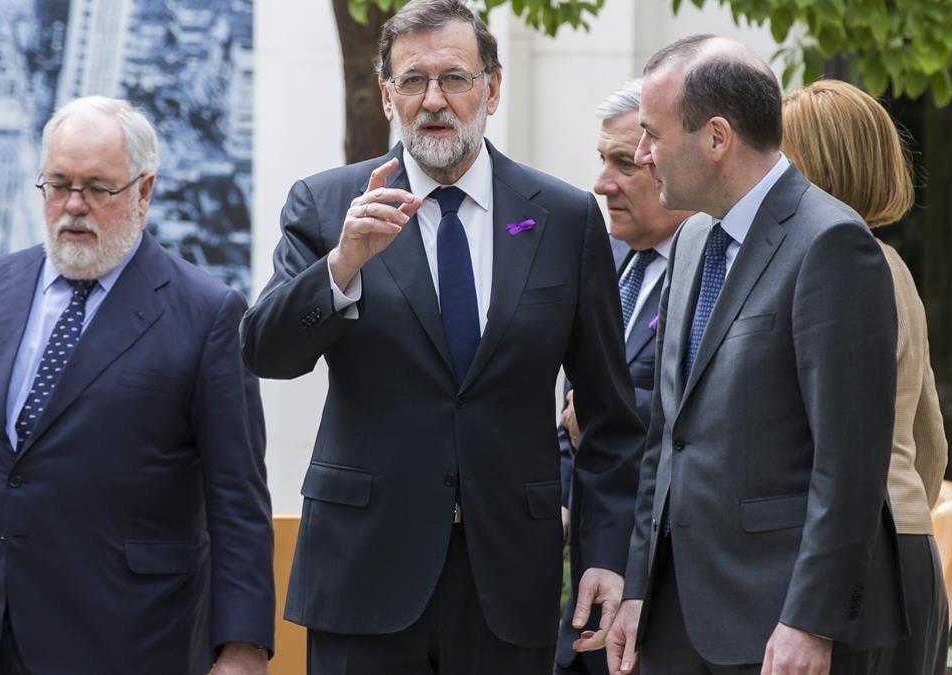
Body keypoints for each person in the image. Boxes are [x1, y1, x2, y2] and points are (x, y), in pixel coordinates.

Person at [240, 1, 646, 672]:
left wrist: (605, 553)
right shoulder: (327, 204)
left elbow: (610, 417)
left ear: (492, 87)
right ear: (386, 93)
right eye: (412, 80)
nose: (434, 100)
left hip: (508, 582)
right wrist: (340, 266)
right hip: (363, 574)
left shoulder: (565, 219)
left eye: (454, 78)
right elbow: (266, 353)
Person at [0, 96, 274, 675]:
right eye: (58, 185)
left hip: (135, 639)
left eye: (97, 188)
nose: (73, 206)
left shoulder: (207, 313)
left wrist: (242, 647)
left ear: (144, 190)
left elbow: (238, 499)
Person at [597, 36, 906, 674]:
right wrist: (637, 590)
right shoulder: (691, 241)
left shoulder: (831, 244)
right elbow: (665, 441)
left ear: (716, 137)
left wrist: (810, 621)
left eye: (652, 135)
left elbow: (849, 464)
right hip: (674, 620)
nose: (644, 154)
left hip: (778, 626)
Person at [781, 78, 950, 674]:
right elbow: (930, 441)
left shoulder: (832, 265)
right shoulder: (893, 265)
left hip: (859, 563)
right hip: (908, 547)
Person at [556, 77, 694, 675]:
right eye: (600, 160)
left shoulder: (716, 270)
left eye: (624, 163)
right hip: (584, 580)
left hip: (666, 596)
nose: (601, 183)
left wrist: (611, 418)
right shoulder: (599, 257)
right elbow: (566, 409)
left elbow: (707, 412)